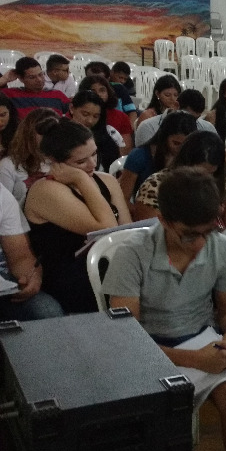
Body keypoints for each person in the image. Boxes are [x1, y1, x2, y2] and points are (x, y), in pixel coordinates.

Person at [103, 168, 226, 451]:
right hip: (147, 345)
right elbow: (126, 339)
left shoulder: (221, 247)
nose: (200, 243)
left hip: (198, 336)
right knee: (155, 416)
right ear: (163, 221)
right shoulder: (133, 253)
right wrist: (194, 359)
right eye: (189, 234)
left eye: (208, 231)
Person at [132, 132, 226, 396]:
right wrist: (196, 358)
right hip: (173, 262)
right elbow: (158, 238)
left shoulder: (223, 186)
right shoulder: (158, 187)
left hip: (219, 250)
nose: (204, 180)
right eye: (198, 171)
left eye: (211, 173)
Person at [26, 119, 131, 314]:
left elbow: (127, 233)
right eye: (80, 162)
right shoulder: (45, 190)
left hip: (111, 267)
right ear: (56, 162)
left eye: (94, 154)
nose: (93, 164)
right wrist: (81, 179)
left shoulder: (107, 181)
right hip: (68, 277)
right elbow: (107, 228)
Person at [0, 183, 63, 321]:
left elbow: (20, 257)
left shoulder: (2, 196)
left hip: (3, 285)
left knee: (47, 311)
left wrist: (31, 276)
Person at [120, 111, 198, 205]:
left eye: (185, 144)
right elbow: (123, 199)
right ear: (164, 137)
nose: (180, 149)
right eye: (176, 143)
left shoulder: (192, 157)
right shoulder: (139, 156)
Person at [0, 108, 58, 205]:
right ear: (29, 132)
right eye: (44, 132)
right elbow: (3, 206)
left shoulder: (63, 161)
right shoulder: (8, 165)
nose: (50, 137)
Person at [135, 89, 217, 146]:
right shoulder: (148, 127)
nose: (191, 122)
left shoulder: (207, 128)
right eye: (189, 116)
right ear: (176, 106)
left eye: (196, 119)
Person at [67, 90, 122, 172]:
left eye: (95, 116)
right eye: (85, 114)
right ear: (72, 108)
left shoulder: (108, 135)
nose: (90, 121)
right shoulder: (59, 134)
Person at [79, 75, 134, 152]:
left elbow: (126, 149)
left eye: (102, 90)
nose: (98, 94)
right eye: (93, 91)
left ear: (108, 92)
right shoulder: (77, 113)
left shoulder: (121, 117)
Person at [0, 57, 69, 118]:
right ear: (21, 78)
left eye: (40, 74)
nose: (39, 80)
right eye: (32, 77)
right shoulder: (11, 95)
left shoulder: (57, 95)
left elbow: (73, 110)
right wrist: (3, 80)